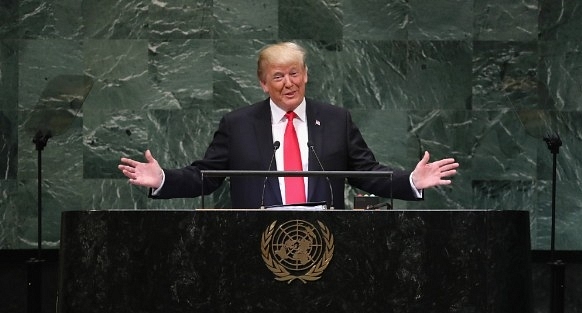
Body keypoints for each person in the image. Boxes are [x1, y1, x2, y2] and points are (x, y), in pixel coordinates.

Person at [118, 42, 459, 209]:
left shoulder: (337, 119)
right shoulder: (238, 124)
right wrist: (162, 179)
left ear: (306, 75)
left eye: (294, 73)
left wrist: (412, 181)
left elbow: (366, 172)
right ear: (263, 84)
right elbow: (205, 177)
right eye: (277, 76)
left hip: (325, 244)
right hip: (255, 243)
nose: (288, 83)